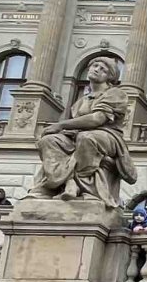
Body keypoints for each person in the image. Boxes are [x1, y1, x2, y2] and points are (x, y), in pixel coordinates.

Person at [33, 55, 139, 205]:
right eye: (95, 66)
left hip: (108, 136)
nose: (97, 70)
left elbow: (97, 119)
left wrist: (61, 125)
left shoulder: (116, 94)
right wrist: (63, 131)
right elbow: (78, 125)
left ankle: (80, 184)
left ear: (109, 77)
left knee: (87, 138)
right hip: (79, 134)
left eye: (103, 69)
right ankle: (57, 183)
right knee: (49, 141)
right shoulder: (82, 100)